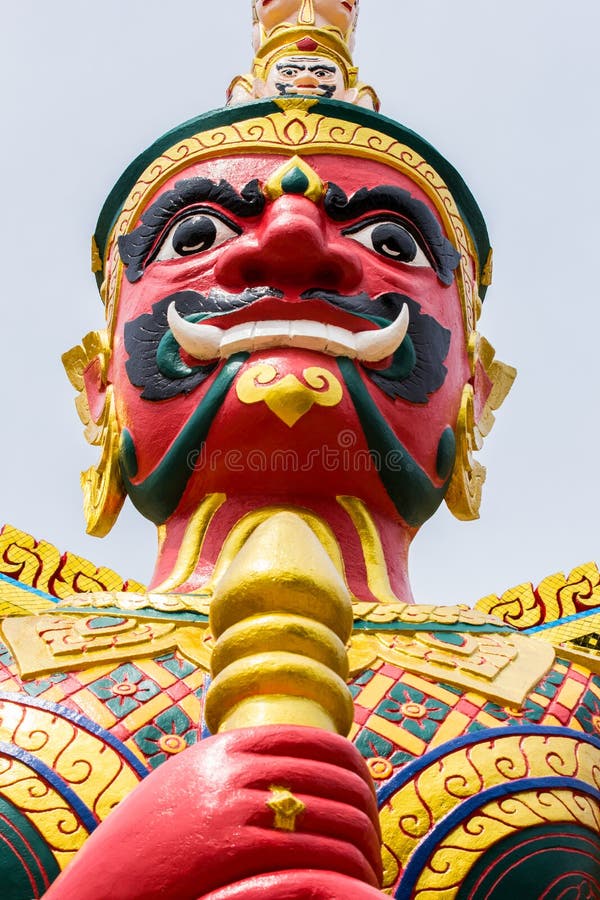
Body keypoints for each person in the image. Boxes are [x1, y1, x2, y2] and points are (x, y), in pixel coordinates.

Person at [0, 4, 598, 898]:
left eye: (391, 241)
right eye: (195, 235)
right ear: (98, 388)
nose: (291, 243)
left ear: (473, 391)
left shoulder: (573, 677)